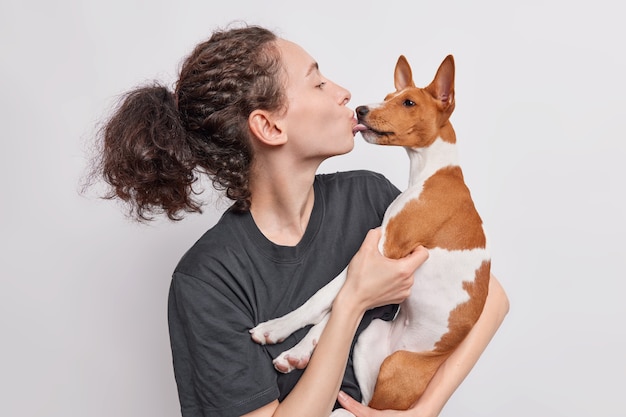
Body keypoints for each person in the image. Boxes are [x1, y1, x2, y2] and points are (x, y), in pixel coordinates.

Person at [92, 23, 509, 417]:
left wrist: (425, 409)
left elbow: (488, 298)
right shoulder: (208, 279)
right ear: (270, 126)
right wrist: (352, 302)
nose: (344, 92)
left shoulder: (368, 195)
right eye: (318, 82)